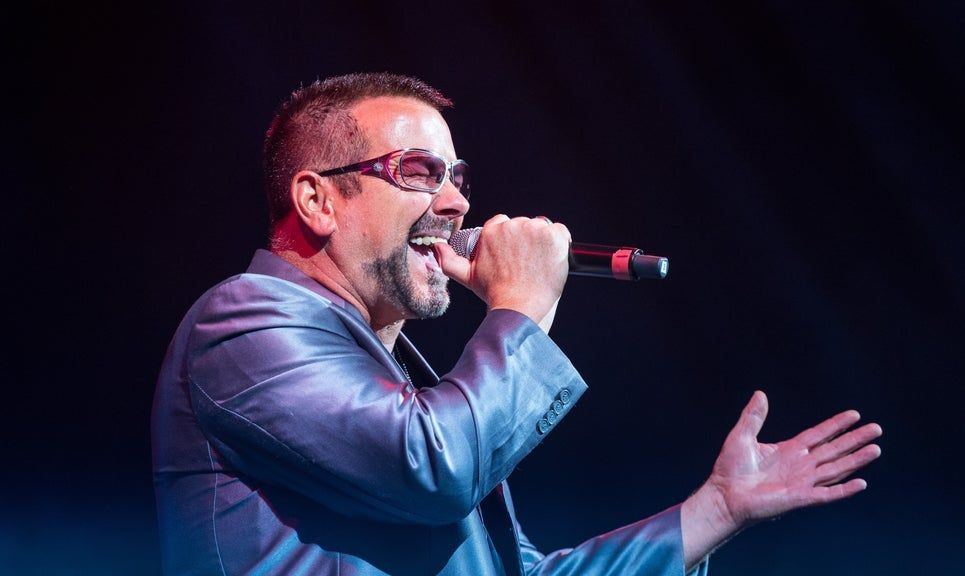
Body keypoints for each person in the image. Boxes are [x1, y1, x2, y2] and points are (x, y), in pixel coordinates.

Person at [151, 72, 883, 575]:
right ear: (317, 201)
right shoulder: (243, 322)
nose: (455, 204)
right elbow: (432, 471)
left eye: (457, 177)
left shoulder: (411, 389)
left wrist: (714, 510)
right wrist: (521, 306)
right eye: (417, 172)